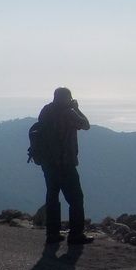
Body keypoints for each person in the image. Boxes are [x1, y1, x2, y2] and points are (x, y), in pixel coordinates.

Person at [38, 87, 94, 245]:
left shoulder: (46, 110)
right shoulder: (68, 113)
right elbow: (86, 125)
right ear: (66, 98)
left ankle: (52, 234)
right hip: (65, 163)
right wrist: (76, 108)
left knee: (52, 197)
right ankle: (76, 235)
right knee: (76, 199)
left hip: (47, 162)